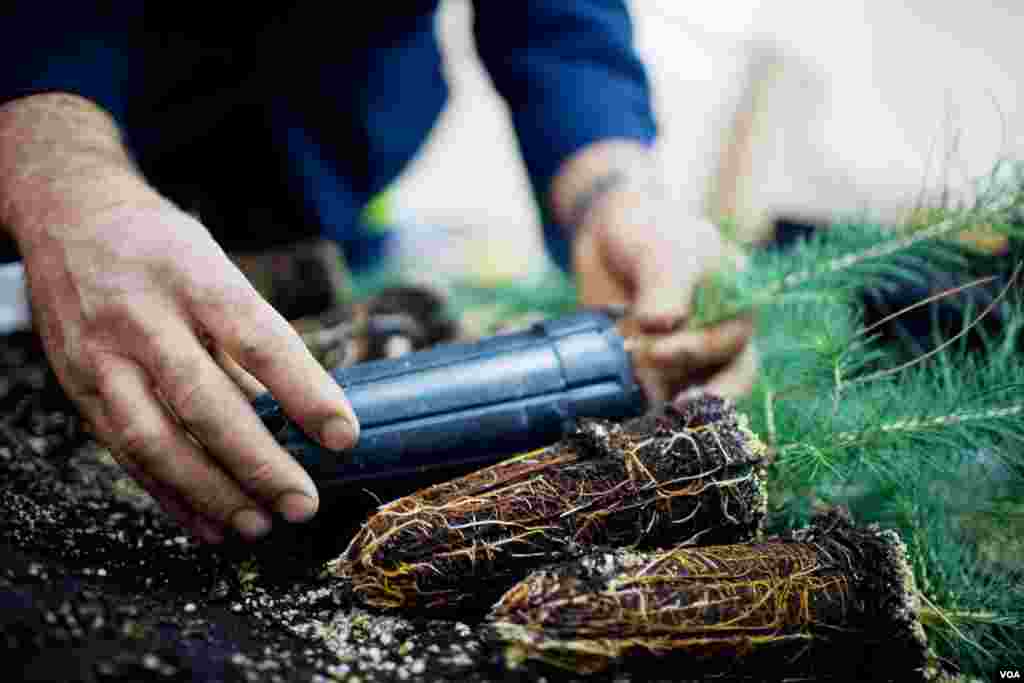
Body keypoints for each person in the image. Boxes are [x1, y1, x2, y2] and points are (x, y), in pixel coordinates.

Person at [0, 3, 755, 544]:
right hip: (62, 181)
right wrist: (53, 162)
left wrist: (610, 190)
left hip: (317, 184)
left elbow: (561, 22)